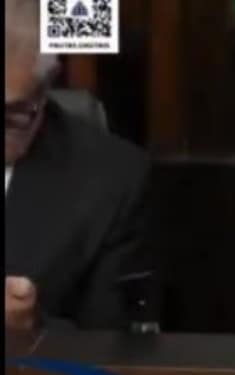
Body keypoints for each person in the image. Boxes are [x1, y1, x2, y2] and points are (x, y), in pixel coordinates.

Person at [5, 0, 154, 330]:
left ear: (44, 90)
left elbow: (117, 345)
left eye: (11, 117)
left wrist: (30, 326)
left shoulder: (111, 181)